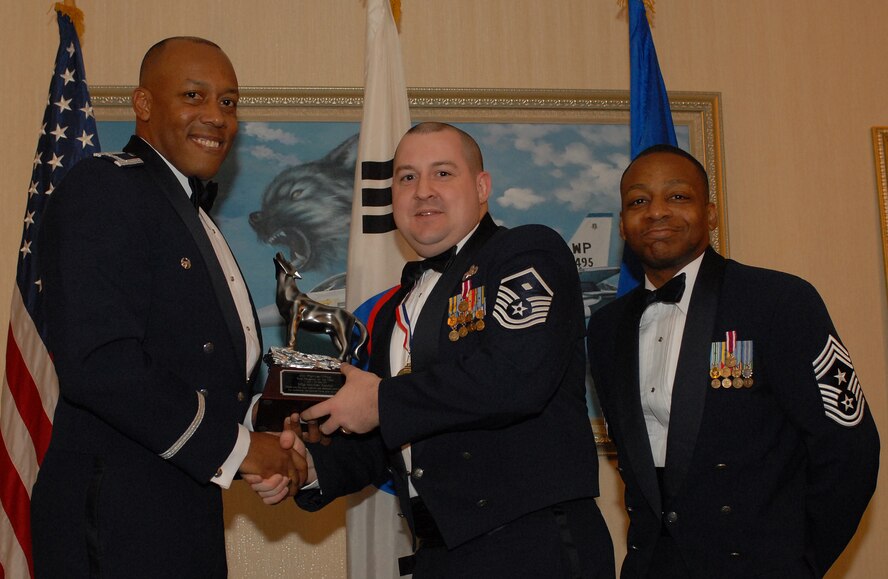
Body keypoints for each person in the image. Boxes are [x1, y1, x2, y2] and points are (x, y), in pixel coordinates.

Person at [250, 122, 615, 577]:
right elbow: (392, 436)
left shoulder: (525, 251)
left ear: (481, 187)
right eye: (407, 177)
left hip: (531, 547)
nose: (422, 190)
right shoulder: (392, 311)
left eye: (442, 173)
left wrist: (380, 401)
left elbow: (515, 377)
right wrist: (308, 467)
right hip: (438, 552)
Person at [30, 37, 306, 578]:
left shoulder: (184, 209)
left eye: (228, 102)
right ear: (143, 103)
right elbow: (101, 364)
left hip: (176, 512)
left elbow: (197, 372)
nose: (216, 116)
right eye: (193, 96)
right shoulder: (105, 186)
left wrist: (266, 426)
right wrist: (240, 449)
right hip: (115, 520)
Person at [586, 144, 880, 578]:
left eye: (678, 196)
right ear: (624, 226)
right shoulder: (606, 327)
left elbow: (849, 449)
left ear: (710, 214)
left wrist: (800, 564)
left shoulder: (778, 301)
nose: (656, 212)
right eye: (638, 201)